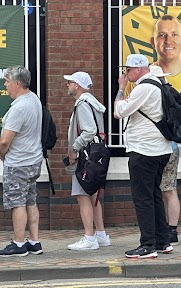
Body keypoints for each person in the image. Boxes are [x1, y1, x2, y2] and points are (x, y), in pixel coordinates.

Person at [115, 54, 173, 258]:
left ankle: (147, 244)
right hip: (160, 149)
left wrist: (121, 89)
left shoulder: (143, 87)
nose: (125, 73)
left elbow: (119, 111)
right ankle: (162, 241)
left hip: (144, 150)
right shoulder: (158, 84)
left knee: (142, 198)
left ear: (138, 69)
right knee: (154, 195)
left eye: (128, 70)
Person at [64, 71, 111, 250]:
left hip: (85, 156)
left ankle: (89, 238)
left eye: (70, 82)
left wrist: (75, 147)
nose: (67, 85)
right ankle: (101, 235)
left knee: (82, 195)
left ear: (78, 85)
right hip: (96, 155)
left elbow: (89, 131)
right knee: (94, 196)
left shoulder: (82, 104)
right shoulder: (93, 103)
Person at [0, 66, 44, 256]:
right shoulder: (34, 99)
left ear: (17, 83)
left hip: (18, 163)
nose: (5, 85)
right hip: (33, 161)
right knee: (30, 201)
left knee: (17, 203)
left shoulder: (19, 107)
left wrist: (2, 155)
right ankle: (34, 242)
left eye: (7, 81)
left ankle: (18, 244)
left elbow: (4, 141)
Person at [148, 65, 181, 245]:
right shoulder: (171, 92)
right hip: (172, 145)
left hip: (160, 146)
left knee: (166, 190)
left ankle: (170, 230)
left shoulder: (154, 94)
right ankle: (171, 229)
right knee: (168, 189)